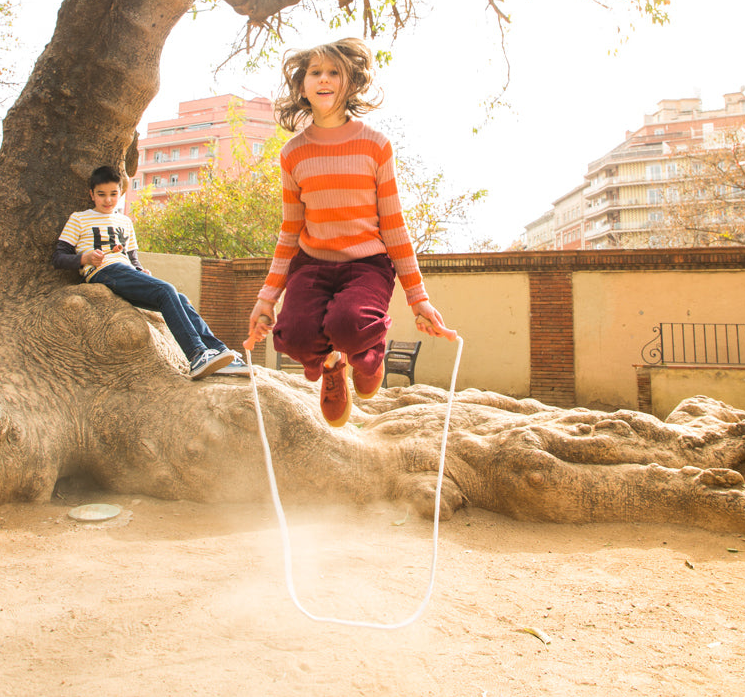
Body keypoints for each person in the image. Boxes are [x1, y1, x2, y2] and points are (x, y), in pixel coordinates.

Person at [245, 37, 455, 427]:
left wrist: (418, 298)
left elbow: (393, 224)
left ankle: (368, 353)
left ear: (351, 83)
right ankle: (331, 365)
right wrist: (266, 298)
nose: (324, 79)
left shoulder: (375, 145)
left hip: (367, 265)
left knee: (348, 323)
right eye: (315, 72)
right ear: (302, 85)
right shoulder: (293, 153)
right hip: (312, 264)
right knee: (292, 337)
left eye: (334, 72)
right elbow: (290, 231)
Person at [53, 165, 248, 380]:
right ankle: (197, 354)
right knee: (166, 290)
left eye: (113, 194)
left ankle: (220, 353)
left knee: (179, 299)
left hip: (126, 273)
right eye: (101, 195)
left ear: (121, 193)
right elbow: (59, 257)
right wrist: (85, 258)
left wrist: (140, 270)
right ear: (91, 194)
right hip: (103, 271)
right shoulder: (80, 219)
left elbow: (132, 258)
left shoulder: (124, 221)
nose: (108, 200)